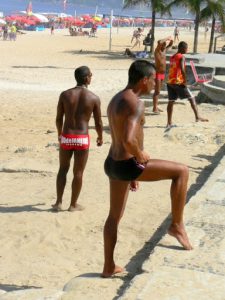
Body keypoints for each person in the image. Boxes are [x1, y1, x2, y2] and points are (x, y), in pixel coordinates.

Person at [102, 60, 193, 278]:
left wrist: (133, 171)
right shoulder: (135, 102)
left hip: (113, 164)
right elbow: (128, 139)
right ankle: (177, 225)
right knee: (181, 171)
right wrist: (139, 155)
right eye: (153, 79)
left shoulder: (117, 98)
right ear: (144, 80)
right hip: (129, 163)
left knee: (113, 217)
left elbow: (120, 135)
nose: (155, 83)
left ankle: (108, 266)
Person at [52, 66, 103, 212]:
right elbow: (98, 122)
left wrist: (59, 134)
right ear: (86, 78)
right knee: (78, 173)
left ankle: (58, 203)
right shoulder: (93, 97)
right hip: (82, 138)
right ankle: (73, 205)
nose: (91, 77)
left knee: (62, 169)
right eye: (91, 75)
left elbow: (58, 118)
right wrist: (100, 136)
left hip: (67, 136)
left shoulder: (65, 95)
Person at [166, 41, 208, 128]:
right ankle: (197, 117)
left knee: (171, 102)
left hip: (170, 82)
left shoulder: (173, 57)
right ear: (181, 48)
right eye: (186, 48)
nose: (187, 50)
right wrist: (184, 81)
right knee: (192, 98)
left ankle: (169, 122)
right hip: (178, 82)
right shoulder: (181, 57)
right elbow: (182, 69)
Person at [152, 36, 173, 114]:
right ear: (160, 45)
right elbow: (160, 41)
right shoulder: (157, 51)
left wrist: (171, 41)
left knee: (159, 91)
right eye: (163, 45)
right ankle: (154, 108)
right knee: (156, 91)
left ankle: (156, 106)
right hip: (157, 74)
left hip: (162, 74)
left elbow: (170, 45)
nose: (164, 46)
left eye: (165, 45)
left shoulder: (164, 51)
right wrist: (167, 38)